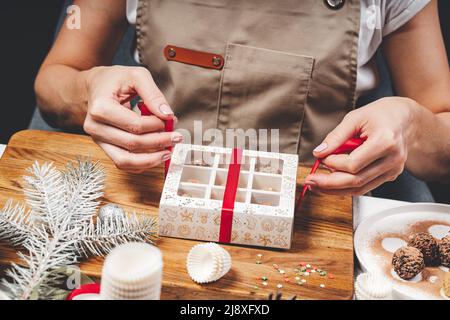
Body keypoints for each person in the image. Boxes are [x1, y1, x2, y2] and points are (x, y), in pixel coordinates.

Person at [35, 0, 450, 196]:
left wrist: (410, 123)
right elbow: (53, 83)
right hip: (152, 202)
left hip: (311, 219)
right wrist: (89, 89)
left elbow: (443, 138)